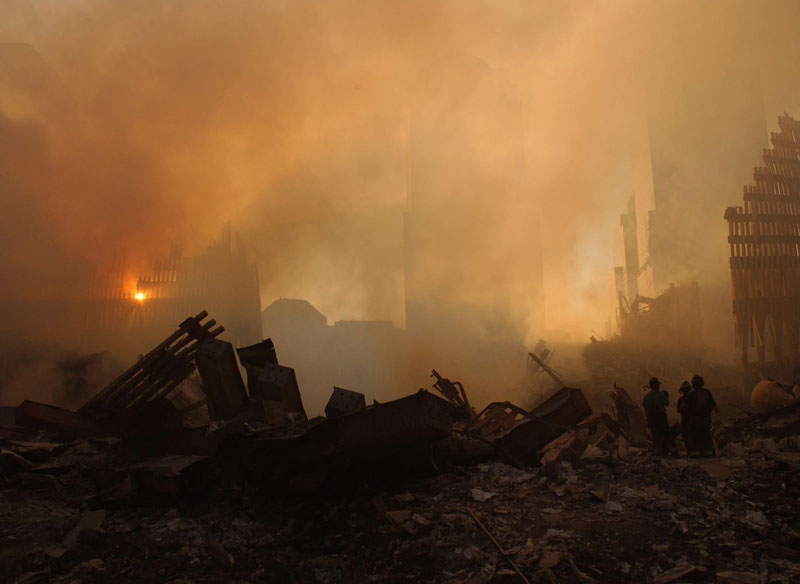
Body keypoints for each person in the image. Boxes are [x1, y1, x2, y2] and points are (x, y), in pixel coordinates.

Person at [687, 374, 716, 457]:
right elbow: (713, 405)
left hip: (694, 420)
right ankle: (708, 453)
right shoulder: (706, 392)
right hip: (705, 419)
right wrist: (707, 412)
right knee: (706, 436)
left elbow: (684, 407)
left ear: (693, 384)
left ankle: (695, 453)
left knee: (694, 437)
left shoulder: (690, 395)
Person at [642, 377, 671, 456]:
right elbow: (667, 403)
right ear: (657, 385)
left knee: (655, 436)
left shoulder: (647, 396)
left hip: (652, 419)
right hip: (661, 418)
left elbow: (645, 409)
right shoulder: (661, 394)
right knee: (664, 434)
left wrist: (648, 420)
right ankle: (665, 451)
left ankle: (657, 451)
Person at [676, 381, 692, 454]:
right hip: (690, 419)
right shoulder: (693, 398)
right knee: (689, 435)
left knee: (687, 435)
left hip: (686, 419)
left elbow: (679, 410)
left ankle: (690, 451)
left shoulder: (681, 400)